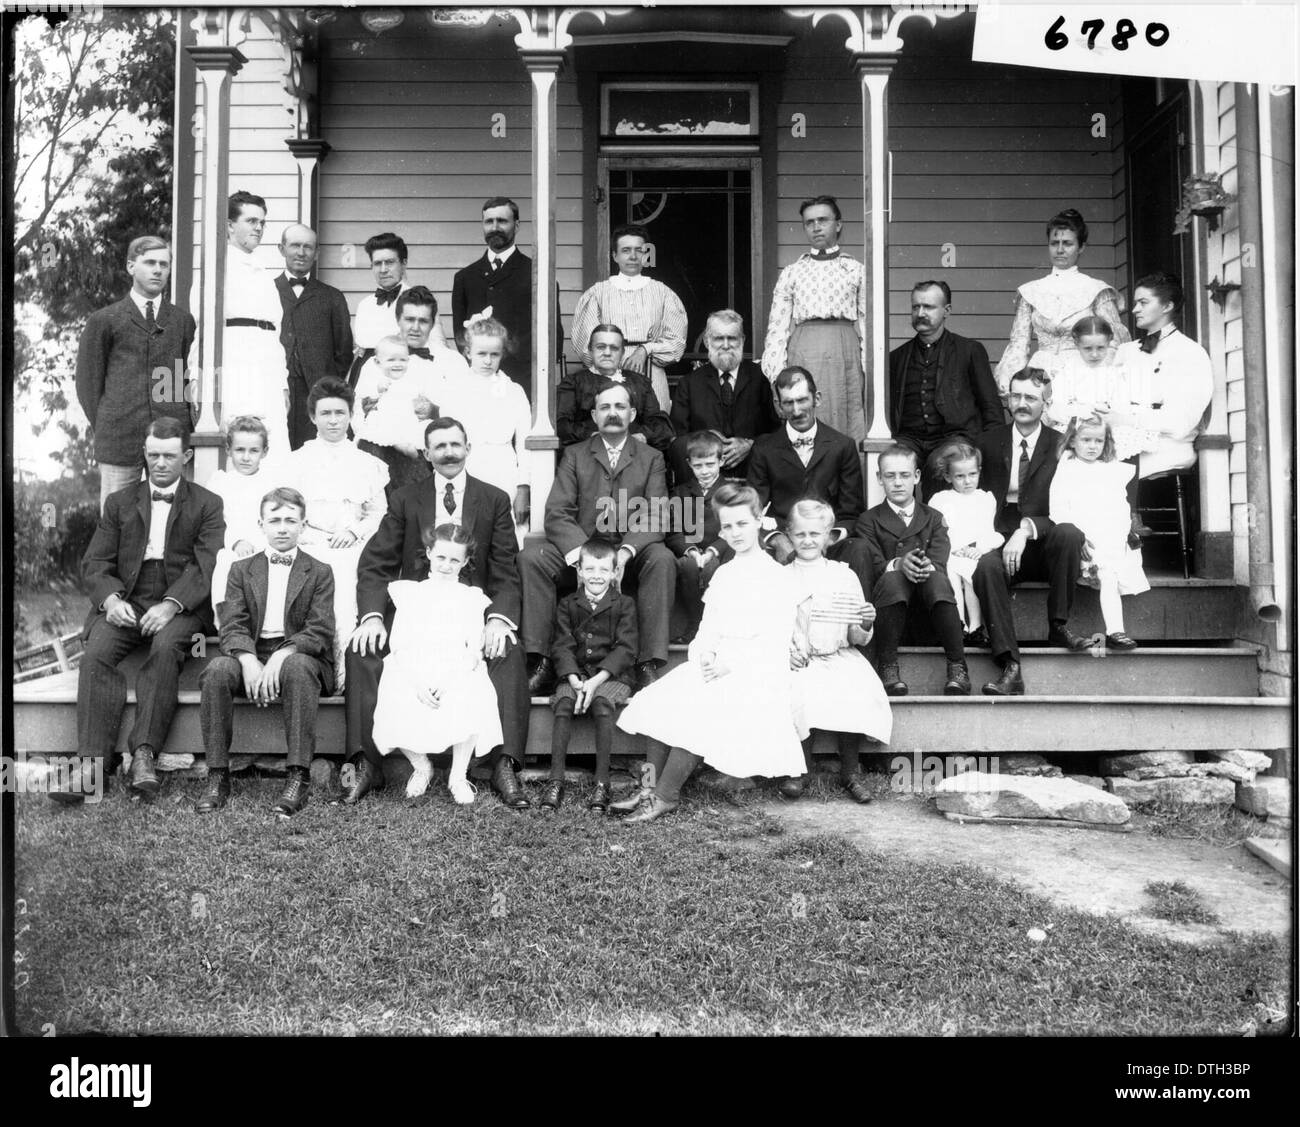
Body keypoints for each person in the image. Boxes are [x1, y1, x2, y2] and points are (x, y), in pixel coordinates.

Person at [346, 417, 532, 809]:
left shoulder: (494, 499)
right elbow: (376, 564)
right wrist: (374, 617)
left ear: (468, 448)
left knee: (507, 651)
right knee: (362, 650)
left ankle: (504, 762)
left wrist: (498, 619)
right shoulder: (404, 498)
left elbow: (505, 570)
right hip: (417, 611)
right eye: (439, 446)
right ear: (427, 454)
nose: (448, 453)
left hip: (470, 611)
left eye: (455, 444)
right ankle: (366, 762)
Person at [54, 418, 225, 804]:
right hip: (127, 598)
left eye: (169, 455)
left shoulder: (208, 504)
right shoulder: (119, 502)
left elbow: (206, 565)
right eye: (153, 456)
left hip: (180, 602)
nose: (160, 463)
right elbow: (95, 563)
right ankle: (91, 764)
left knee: (165, 648)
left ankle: (144, 754)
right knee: (96, 653)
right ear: (144, 456)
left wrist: (171, 605)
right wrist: (111, 600)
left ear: (187, 456)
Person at [614, 483, 806, 824]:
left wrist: (730, 665)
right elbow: (710, 627)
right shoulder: (725, 574)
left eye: (743, 524)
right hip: (717, 662)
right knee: (659, 699)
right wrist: (702, 653)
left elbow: (774, 640)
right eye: (728, 526)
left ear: (760, 521)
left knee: (699, 710)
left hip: (756, 671)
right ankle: (647, 787)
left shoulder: (776, 577)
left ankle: (665, 795)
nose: (735, 532)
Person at [519, 381, 675, 696]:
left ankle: (647, 661)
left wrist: (627, 552)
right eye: (605, 407)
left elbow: (658, 514)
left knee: (662, 558)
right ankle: (543, 660)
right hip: (582, 549)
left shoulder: (651, 457)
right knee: (531, 558)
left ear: (632, 414)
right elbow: (557, 512)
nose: (613, 413)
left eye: (620, 407)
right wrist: (582, 557)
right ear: (594, 415)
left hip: (628, 551)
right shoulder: (575, 455)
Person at [196, 486, 335, 816]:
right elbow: (232, 624)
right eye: (275, 520)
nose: (283, 528)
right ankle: (218, 775)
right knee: (216, 670)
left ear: (304, 524)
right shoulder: (241, 569)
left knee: (299, 667)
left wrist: (281, 655)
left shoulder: (320, 571)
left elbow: (319, 630)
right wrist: (246, 659)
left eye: (291, 520)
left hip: (299, 655)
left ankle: (297, 776)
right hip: (251, 650)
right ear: (261, 525)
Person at [971, 368, 1090, 697]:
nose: (1021, 404)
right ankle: (1010, 666)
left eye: (1031, 398)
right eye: (1015, 396)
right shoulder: (987, 442)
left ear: (1046, 402)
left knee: (1069, 533)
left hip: (1042, 536)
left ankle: (1059, 626)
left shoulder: (1061, 445)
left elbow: (1070, 506)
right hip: (997, 536)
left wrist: (1027, 529)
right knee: (985, 568)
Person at [372, 523, 503, 804]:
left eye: (455, 559)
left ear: (465, 561)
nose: (446, 565)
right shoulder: (411, 593)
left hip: (455, 666)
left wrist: (450, 679)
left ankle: (458, 775)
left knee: (473, 686)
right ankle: (422, 766)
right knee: (395, 685)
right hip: (415, 664)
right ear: (429, 553)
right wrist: (417, 682)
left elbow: (473, 649)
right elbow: (399, 646)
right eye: (441, 557)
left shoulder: (470, 598)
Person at [76, 235, 197, 507]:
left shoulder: (182, 321)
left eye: (164, 265)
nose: (158, 270)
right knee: (117, 520)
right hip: (119, 439)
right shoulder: (104, 320)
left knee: (175, 519)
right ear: (131, 266)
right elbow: (88, 385)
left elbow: (187, 380)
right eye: (150, 262)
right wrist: (111, 422)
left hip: (171, 440)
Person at [284, 377, 390, 687]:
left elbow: (377, 512)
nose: (333, 421)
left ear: (350, 416)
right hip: (309, 541)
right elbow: (289, 511)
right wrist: (308, 535)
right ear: (313, 417)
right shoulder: (297, 461)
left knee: (345, 587)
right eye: (326, 413)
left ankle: (344, 677)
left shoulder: (366, 463)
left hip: (352, 545)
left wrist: (355, 532)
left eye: (340, 413)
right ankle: (306, 671)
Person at [785, 498, 891, 804]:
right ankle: (798, 770)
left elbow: (856, 637)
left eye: (815, 534)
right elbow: (774, 626)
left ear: (828, 536)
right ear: (790, 535)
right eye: (800, 534)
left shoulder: (843, 575)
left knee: (855, 689)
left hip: (837, 655)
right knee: (797, 693)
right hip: (798, 658)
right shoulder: (781, 577)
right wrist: (786, 652)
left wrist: (866, 623)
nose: (807, 541)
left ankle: (849, 771)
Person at [746, 366, 876, 598]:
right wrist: (776, 539)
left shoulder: (842, 446)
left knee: (860, 549)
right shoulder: (764, 448)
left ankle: (860, 626)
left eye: (802, 400)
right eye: (788, 403)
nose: (796, 410)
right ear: (779, 406)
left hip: (829, 540)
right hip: (785, 541)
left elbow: (852, 512)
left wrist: (827, 538)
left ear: (817, 398)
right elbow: (753, 510)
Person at [856, 445, 971, 697]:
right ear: (879, 478)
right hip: (893, 614)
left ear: (917, 477)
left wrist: (921, 565)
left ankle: (957, 666)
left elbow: (939, 559)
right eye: (890, 476)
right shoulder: (868, 520)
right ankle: (887, 667)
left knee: (936, 578)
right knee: (893, 579)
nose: (898, 482)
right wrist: (898, 564)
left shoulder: (933, 517)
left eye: (905, 475)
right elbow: (873, 564)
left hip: (930, 612)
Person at [542, 538, 639, 812]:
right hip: (576, 674)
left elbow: (626, 648)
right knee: (563, 704)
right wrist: (573, 678)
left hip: (611, 676)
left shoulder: (625, 604)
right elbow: (561, 645)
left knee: (601, 704)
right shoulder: (568, 604)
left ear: (614, 573)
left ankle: (602, 782)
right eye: (591, 569)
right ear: (580, 572)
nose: (597, 575)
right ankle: (555, 779)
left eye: (604, 570)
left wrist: (596, 682)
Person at [760, 195, 867, 442]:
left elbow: (867, 323)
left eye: (823, 220)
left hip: (844, 351)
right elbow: (776, 329)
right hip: (804, 349)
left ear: (837, 225)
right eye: (809, 222)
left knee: (845, 421)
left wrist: (866, 369)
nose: (816, 226)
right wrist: (776, 376)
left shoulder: (856, 270)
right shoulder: (792, 272)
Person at [993, 208, 1129, 395]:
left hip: (1084, 374)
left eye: (1067, 243)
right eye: (1054, 243)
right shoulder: (1031, 291)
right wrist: (1009, 379)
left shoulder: (1096, 290)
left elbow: (1115, 340)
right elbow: (1019, 342)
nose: (1060, 250)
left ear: (1081, 247)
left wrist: (1102, 379)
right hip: (1040, 374)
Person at [889, 280, 1003, 498]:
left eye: (928, 307)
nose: (920, 313)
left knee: (943, 462)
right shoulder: (897, 357)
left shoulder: (969, 350)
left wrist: (993, 448)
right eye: (915, 307)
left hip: (954, 436)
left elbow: (991, 406)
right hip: (910, 438)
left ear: (946, 310)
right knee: (896, 463)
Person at [1049, 415, 1149, 650]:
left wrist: (1124, 532)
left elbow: (1121, 504)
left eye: (1098, 441)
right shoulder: (1068, 468)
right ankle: (1114, 630)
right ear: (1073, 441)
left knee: (1110, 577)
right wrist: (1078, 537)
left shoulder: (1110, 469)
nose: (1093, 446)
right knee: (1105, 573)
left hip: (1109, 536)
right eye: (1086, 440)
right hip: (1085, 539)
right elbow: (1058, 507)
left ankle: (1115, 631)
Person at [451, 196, 561, 402]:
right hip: (479, 381)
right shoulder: (465, 277)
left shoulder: (538, 275)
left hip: (525, 380)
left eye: (502, 221)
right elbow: (460, 334)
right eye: (488, 222)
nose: (494, 227)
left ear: (517, 225)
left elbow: (553, 334)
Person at [571, 223, 687, 411]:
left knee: (652, 428)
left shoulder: (663, 293)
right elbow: (585, 344)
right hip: (607, 376)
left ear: (646, 254)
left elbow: (676, 343)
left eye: (638, 250)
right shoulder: (597, 293)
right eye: (626, 250)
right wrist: (614, 359)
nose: (633, 256)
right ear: (615, 256)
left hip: (651, 372)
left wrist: (645, 349)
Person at [1111, 272, 1214, 479]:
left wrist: (1126, 418)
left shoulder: (1189, 352)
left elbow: (1180, 422)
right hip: (1120, 441)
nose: (1134, 310)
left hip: (1164, 449)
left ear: (1167, 306)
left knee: (1096, 476)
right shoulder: (1127, 351)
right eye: (1135, 303)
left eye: (1143, 302)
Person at [438, 316, 533, 539]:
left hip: (503, 469)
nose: (488, 361)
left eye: (495, 354)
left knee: (502, 531)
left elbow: (524, 444)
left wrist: (523, 488)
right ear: (468, 352)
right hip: (466, 466)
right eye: (482, 354)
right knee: (463, 531)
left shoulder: (513, 391)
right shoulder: (454, 388)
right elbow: (447, 436)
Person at [217, 189, 291, 454]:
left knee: (275, 447)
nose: (259, 228)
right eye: (251, 221)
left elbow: (275, 333)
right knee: (242, 443)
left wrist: (282, 383)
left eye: (262, 222)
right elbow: (202, 332)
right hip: (236, 370)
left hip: (268, 371)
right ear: (229, 225)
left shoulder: (262, 272)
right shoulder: (217, 268)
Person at [668, 309, 778, 484]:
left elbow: (778, 432)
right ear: (707, 341)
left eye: (732, 338)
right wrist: (705, 439)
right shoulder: (689, 383)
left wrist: (750, 445)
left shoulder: (762, 379)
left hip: (752, 478)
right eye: (719, 338)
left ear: (742, 340)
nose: (726, 345)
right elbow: (676, 441)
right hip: (703, 479)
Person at [203, 416, 289, 626]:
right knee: (226, 563)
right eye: (240, 450)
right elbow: (214, 523)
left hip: (265, 543)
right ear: (228, 450)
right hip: (232, 546)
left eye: (254, 451)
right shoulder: (220, 482)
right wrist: (235, 542)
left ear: (264, 452)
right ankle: (229, 625)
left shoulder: (272, 484)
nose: (246, 457)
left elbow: (276, 518)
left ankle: (268, 627)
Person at [275, 224, 354, 450]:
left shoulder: (332, 297)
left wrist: (323, 382)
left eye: (308, 247)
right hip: (279, 391)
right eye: (295, 246)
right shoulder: (267, 291)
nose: (301, 252)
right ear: (281, 249)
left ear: (317, 253)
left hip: (317, 395)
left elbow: (344, 351)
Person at [927, 442, 1004, 645]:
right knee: (951, 574)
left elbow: (988, 531)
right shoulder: (941, 499)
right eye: (960, 476)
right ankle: (959, 624)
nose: (967, 481)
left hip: (974, 549)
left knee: (972, 573)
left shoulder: (985, 498)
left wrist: (977, 548)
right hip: (950, 550)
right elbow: (939, 530)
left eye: (972, 474)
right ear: (948, 477)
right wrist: (954, 549)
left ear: (979, 472)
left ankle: (976, 626)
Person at [556, 324, 674, 454]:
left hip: (634, 452)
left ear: (622, 353)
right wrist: (590, 435)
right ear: (590, 350)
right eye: (600, 347)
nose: (607, 353)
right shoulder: (573, 383)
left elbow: (658, 423)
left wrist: (643, 436)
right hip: (591, 453)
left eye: (614, 348)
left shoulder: (639, 382)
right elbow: (562, 424)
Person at [1042, 315, 1145, 462]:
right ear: (1077, 344)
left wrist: (1111, 413)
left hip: (1104, 429)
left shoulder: (1114, 373)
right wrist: (1082, 412)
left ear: (1109, 342)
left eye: (1101, 348)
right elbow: (1056, 409)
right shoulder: (1067, 372)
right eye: (1088, 348)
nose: (1095, 354)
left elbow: (1122, 406)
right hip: (1074, 429)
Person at [666, 431, 732, 640]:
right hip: (692, 553)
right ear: (689, 464)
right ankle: (695, 621)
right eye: (698, 465)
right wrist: (691, 550)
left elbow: (734, 529)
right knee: (688, 565)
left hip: (722, 551)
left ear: (721, 461)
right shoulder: (680, 493)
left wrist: (713, 550)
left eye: (710, 464)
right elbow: (674, 531)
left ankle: (715, 623)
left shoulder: (731, 492)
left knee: (714, 567)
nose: (704, 471)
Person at [353, 335, 439, 491]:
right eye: (391, 360)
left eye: (403, 360)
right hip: (383, 419)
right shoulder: (376, 378)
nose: (398, 364)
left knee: (417, 428)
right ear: (378, 363)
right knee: (380, 424)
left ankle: (408, 444)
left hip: (404, 420)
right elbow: (363, 397)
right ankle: (400, 445)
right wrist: (377, 390)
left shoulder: (410, 380)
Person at [349, 232, 413, 386]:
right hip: (366, 378)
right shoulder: (365, 304)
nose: (383, 269)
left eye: (390, 262)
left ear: (403, 264)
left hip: (404, 376)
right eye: (378, 263)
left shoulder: (416, 300)